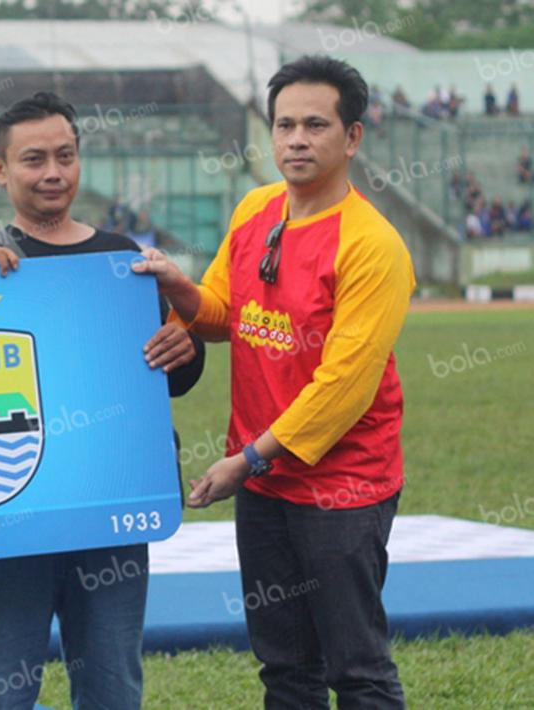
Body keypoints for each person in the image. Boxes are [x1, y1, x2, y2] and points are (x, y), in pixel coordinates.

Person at [133, 55, 413, 709]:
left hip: (341, 486)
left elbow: (344, 385)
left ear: (351, 137)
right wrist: (176, 284)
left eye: (314, 125)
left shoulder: (372, 246)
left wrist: (246, 460)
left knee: (357, 668)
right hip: (263, 478)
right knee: (283, 665)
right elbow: (223, 316)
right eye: (283, 124)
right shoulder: (257, 207)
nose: (294, 139)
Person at [0, 92, 205, 710]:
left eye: (66, 155)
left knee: (113, 685)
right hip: (5, 514)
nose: (54, 172)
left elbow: (171, 377)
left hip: (109, 508)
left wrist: (184, 348)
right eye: (33, 159)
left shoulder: (124, 260)